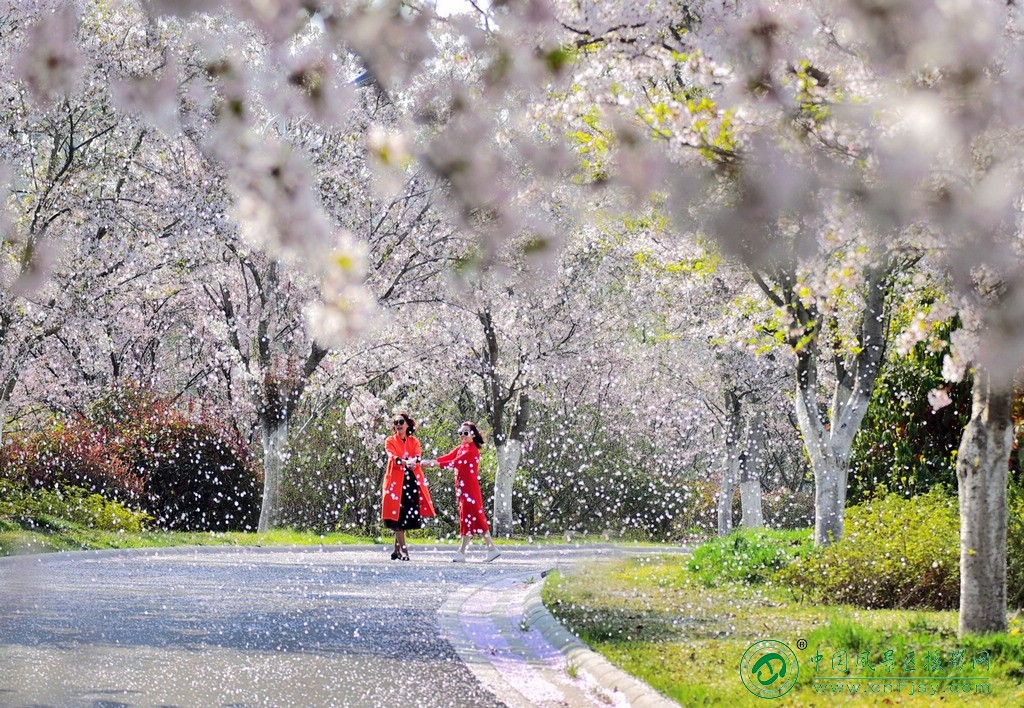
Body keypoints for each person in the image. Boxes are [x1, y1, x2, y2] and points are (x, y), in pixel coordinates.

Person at [422, 421, 501, 563]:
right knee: (469, 519)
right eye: (460, 433)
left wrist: (434, 464)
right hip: (463, 489)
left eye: (466, 433)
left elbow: (454, 463)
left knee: (474, 517)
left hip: (470, 490)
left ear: (473, 434)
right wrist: (432, 461)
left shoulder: (471, 451)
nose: (462, 435)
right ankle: (475, 550)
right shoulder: (462, 448)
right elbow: (449, 457)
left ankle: (479, 550)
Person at [382, 411, 435, 561]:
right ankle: (404, 551)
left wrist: (414, 462)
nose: (398, 425)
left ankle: (396, 550)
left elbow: (418, 455)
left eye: (401, 422)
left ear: (407, 424)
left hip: (410, 481)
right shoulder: (390, 440)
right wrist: (405, 462)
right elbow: (392, 456)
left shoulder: (414, 441)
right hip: (395, 483)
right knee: (396, 515)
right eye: (396, 423)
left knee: (403, 516)